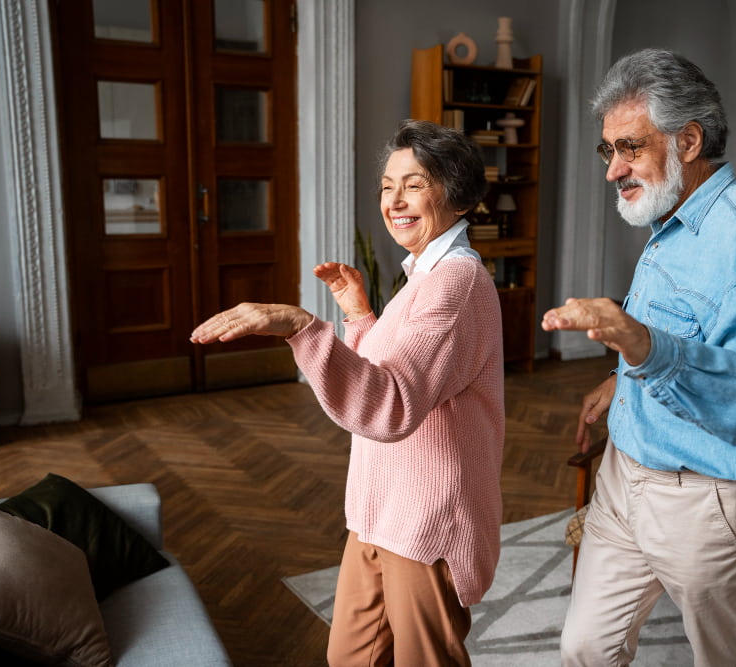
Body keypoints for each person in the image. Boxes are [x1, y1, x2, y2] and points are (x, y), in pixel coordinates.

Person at [190, 119, 504, 666]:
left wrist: (300, 327)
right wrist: (359, 317)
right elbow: (392, 370)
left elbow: (393, 405)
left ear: (456, 193)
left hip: (425, 521)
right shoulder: (426, 277)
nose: (395, 200)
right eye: (387, 185)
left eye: (414, 183)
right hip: (378, 510)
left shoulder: (456, 282)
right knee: (350, 659)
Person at [543, 49, 736, 666]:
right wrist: (622, 380)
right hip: (624, 474)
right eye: (608, 150)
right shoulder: (670, 221)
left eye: (630, 147)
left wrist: (639, 345)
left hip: (708, 498)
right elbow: (683, 332)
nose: (614, 169)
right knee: (585, 646)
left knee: (723, 659)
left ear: (688, 140)